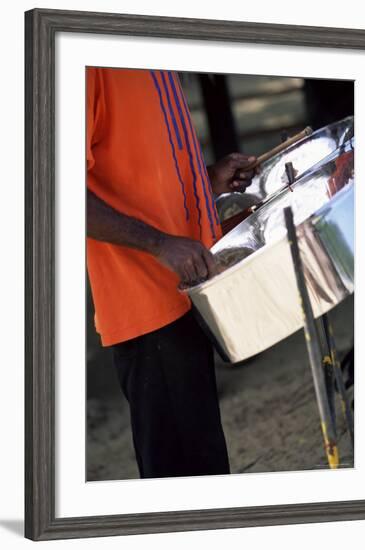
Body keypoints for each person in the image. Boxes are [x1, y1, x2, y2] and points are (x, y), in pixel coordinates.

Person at [86, 67, 255, 479]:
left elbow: (146, 166)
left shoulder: (154, 61)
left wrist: (207, 180)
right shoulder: (91, 62)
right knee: (181, 484)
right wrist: (159, 244)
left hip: (187, 294)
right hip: (146, 311)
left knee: (206, 468)